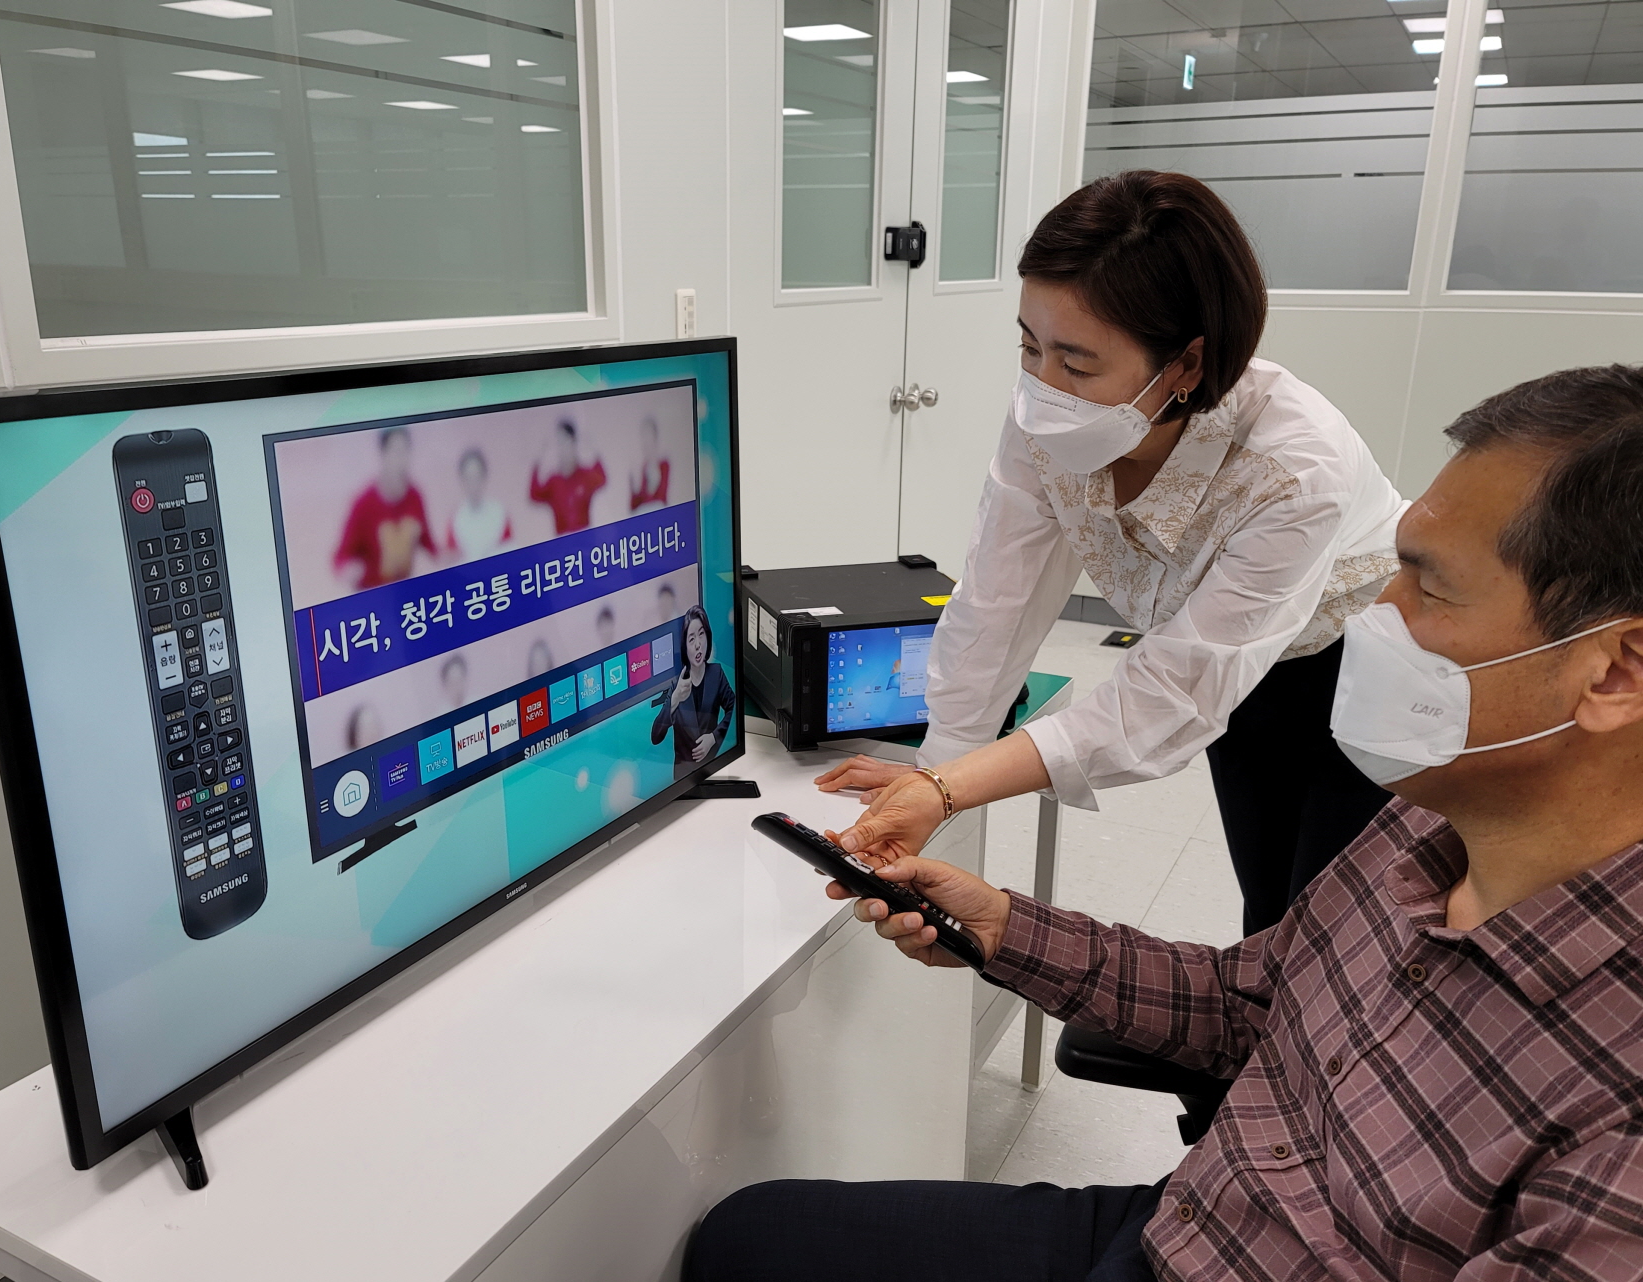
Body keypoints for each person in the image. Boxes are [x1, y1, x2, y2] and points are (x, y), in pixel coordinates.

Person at [689, 365, 1643, 1281]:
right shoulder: (1417, 834)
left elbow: (1163, 699)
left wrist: (950, 788)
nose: (1375, 612)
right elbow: (1246, 1003)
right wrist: (1003, 926)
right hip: (1194, 1222)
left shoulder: (1619, 1111)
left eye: (1428, 588)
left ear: (1615, 671)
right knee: (747, 1239)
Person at [817, 171, 1407, 935]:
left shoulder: (1293, 467)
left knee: (1335, 926)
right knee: (1269, 914)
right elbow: (1000, 596)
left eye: (1077, 364)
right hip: (1243, 675)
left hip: (1364, 666)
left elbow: (1172, 695)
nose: (1043, 387)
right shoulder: (1049, 415)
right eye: (1029, 346)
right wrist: (939, 766)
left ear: (1186, 366)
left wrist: (951, 787)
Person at [334, 426, 436, 588]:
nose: (401, 459)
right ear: (383, 454)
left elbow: (428, 542)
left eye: (405, 450)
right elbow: (341, 556)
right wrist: (349, 569)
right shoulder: (364, 504)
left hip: (404, 591)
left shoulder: (415, 496)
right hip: (372, 593)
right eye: (396, 451)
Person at [651, 605, 734, 766]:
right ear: (684, 646)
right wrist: (675, 699)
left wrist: (713, 737)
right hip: (684, 773)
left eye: (701, 634)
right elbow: (655, 737)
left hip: (712, 766)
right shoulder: (677, 685)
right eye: (691, 639)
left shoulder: (716, 674)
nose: (698, 644)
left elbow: (733, 707)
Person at [529, 418, 607, 534]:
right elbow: (534, 494)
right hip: (563, 541)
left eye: (565, 441)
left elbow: (602, 479)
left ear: (574, 442)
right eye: (559, 442)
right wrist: (538, 460)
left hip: (586, 539)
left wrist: (593, 448)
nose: (562, 448)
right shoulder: (553, 481)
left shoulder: (585, 476)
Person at [446, 447, 511, 562]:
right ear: (462, 480)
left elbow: (510, 554)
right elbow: (452, 562)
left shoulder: (499, 513)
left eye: (477, 476)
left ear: (484, 477)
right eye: (468, 478)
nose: (473, 484)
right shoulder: (456, 519)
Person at [631, 415, 670, 511]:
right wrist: (632, 485)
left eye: (648, 435)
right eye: (643, 436)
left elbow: (659, 500)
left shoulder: (664, 465)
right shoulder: (644, 467)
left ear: (655, 437)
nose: (645, 441)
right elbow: (634, 506)